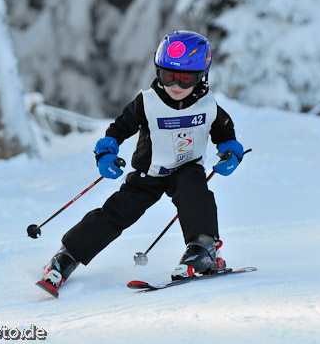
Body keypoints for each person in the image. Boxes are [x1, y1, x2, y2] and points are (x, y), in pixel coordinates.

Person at [38, 30, 245, 296]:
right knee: (115, 214)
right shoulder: (148, 102)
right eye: (168, 75)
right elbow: (118, 129)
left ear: (202, 76)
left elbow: (225, 132)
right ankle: (66, 257)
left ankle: (203, 248)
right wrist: (106, 152)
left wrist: (231, 151)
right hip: (149, 174)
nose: (176, 85)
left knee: (196, 193)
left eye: (185, 78)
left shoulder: (208, 105)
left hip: (187, 168)